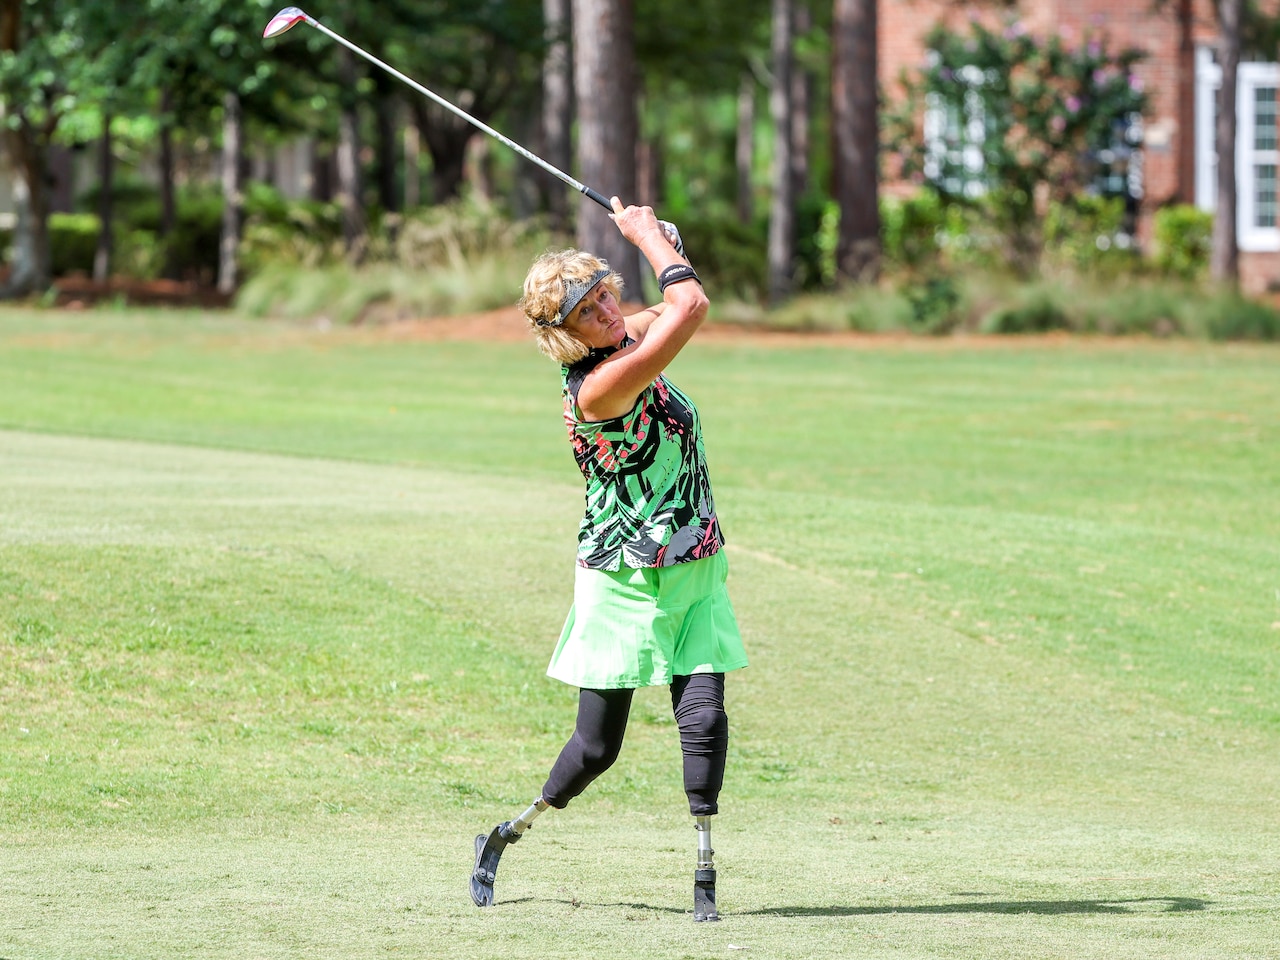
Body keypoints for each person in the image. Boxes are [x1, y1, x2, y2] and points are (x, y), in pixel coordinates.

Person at [469, 198, 749, 921]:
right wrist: (652, 239)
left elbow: (665, 306)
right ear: (564, 337)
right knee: (597, 750)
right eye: (588, 312)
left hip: (691, 561)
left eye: (605, 295)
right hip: (622, 579)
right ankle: (507, 830)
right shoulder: (599, 387)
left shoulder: (622, 342)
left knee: (704, 718)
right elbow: (688, 306)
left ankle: (704, 872)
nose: (607, 313)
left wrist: (662, 242)